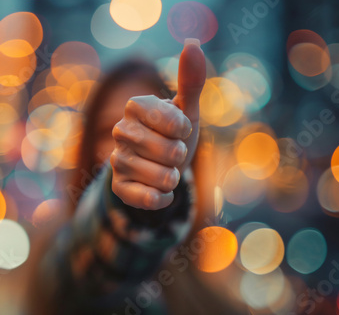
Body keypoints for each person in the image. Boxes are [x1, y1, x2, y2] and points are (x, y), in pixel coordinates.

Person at [26, 40, 247, 315]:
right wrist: (132, 211)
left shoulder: (215, 299)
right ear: (87, 146)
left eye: (152, 130)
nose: (128, 144)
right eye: (110, 130)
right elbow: (97, 262)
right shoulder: (58, 258)